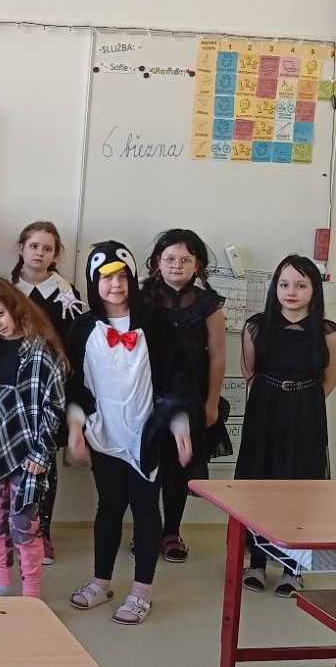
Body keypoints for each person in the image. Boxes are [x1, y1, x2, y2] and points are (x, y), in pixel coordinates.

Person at [65, 240, 194, 625]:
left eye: (122, 276)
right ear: (94, 282)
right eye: (106, 278)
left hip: (145, 435)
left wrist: (179, 424)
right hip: (104, 434)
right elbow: (74, 384)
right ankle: (102, 581)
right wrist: (75, 424)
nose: (116, 285)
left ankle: (142, 591)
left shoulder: (154, 323)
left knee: (145, 509)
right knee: (108, 507)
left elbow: (175, 377)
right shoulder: (83, 328)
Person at [0, 278, 67, 598]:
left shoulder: (41, 351)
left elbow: (53, 406)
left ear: (15, 307)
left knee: (24, 526)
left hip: (28, 455)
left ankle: (31, 594)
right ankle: (4, 584)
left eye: (0, 314)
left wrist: (41, 452)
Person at [235, 255, 336, 597]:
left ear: (314, 289)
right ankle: (257, 563)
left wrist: (299, 401)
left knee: (299, 488)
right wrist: (276, 396)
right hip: (264, 411)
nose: (291, 292)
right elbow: (250, 373)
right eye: (284, 284)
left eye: (300, 285)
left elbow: (329, 379)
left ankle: (293, 569)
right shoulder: (256, 327)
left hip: (306, 413)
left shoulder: (328, 332)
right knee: (259, 484)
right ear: (275, 288)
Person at [140, 229, 231, 564]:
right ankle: (146, 530)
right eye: (169, 258)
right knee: (149, 462)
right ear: (157, 261)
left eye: (185, 259)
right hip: (148, 392)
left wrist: (211, 403)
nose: (176, 265)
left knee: (180, 467)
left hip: (192, 395)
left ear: (198, 265)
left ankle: (171, 532)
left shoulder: (209, 304)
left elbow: (218, 356)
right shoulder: (143, 298)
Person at [10, 220, 84, 564]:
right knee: (11, 460)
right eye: (33, 246)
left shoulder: (66, 293)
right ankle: (13, 530)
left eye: (47, 248)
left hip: (51, 390)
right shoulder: (6, 289)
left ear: (56, 254)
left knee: (44, 463)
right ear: (21, 248)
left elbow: (74, 345)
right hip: (12, 389)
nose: (39, 253)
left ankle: (42, 533)